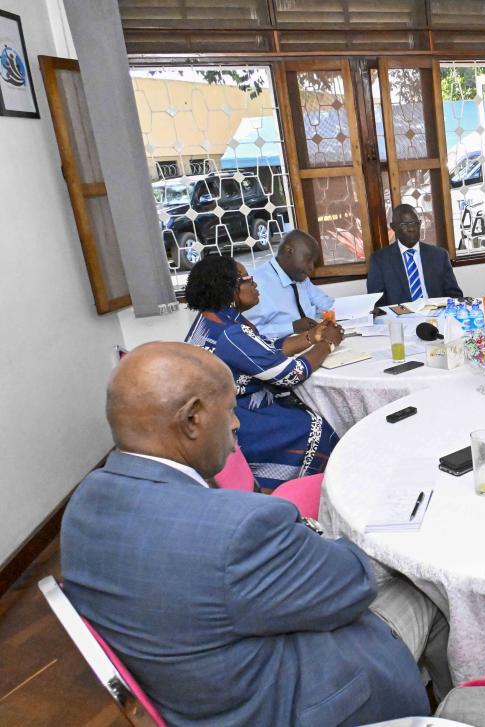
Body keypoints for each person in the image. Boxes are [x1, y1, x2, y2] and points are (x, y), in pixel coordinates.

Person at [61, 342, 448, 726]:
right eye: (229, 409)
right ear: (192, 419)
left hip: (197, 697)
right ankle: (450, 710)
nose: (236, 424)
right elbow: (353, 581)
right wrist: (313, 536)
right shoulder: (237, 531)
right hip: (293, 704)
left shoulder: (82, 505)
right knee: (429, 584)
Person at [184, 255, 341, 490]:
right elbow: (292, 373)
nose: (255, 284)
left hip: (218, 415)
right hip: (240, 420)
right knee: (318, 425)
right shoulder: (230, 334)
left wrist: (312, 336)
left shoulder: (212, 320)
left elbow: (264, 350)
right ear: (230, 289)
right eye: (248, 279)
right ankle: (310, 495)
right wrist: (327, 344)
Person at [245, 230, 334, 341]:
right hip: (281, 350)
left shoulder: (299, 277)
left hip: (313, 341)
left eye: (314, 262)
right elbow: (249, 333)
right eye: (308, 260)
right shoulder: (255, 285)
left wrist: (329, 314)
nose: (311, 268)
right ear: (289, 251)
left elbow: (324, 303)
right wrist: (291, 327)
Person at [367, 204, 463, 306]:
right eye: (404, 224)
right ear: (393, 227)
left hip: (437, 314)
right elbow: (376, 302)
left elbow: (455, 295)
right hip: (400, 318)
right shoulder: (380, 260)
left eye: (415, 223)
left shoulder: (439, 255)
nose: (411, 229)